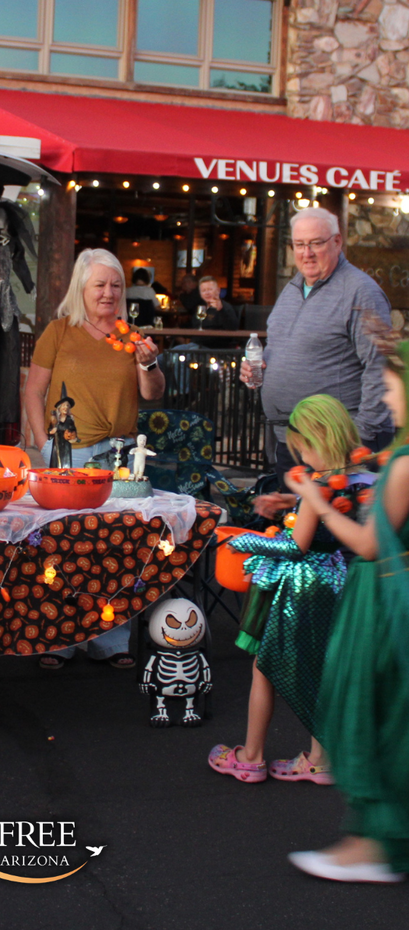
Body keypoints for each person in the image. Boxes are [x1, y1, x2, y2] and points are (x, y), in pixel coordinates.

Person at [284, 343, 409, 883]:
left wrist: (313, 501)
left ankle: (371, 847)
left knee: (366, 710)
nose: (385, 398)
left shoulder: (403, 464)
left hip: (381, 599)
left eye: (392, 388)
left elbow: (368, 544)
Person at [208, 395, 374, 786]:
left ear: (313, 439)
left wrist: (247, 542)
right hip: (333, 577)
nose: (301, 455)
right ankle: (320, 759)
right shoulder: (354, 478)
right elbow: (324, 518)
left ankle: (251, 757)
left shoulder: (317, 484)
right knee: (321, 666)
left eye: (301, 447)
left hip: (302, 586)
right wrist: (292, 502)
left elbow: (296, 546)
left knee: (265, 665)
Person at [23, 248, 164, 669]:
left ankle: (111, 639)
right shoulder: (59, 331)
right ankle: (58, 638)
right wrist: (42, 443)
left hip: (119, 456)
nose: (108, 292)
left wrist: (149, 363)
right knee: (61, 544)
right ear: (81, 288)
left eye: (116, 285)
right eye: (99, 284)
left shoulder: (131, 336)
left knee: (116, 547)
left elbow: (152, 393)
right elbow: (33, 391)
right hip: (69, 453)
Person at [243, 207, 393, 516]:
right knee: (296, 530)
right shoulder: (293, 287)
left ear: (337, 242)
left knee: (336, 534)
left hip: (338, 445)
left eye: (316, 243)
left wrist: (359, 436)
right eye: (299, 244)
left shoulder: (361, 292)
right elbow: (285, 347)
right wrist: (259, 367)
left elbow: (380, 367)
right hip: (294, 441)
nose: (306, 253)